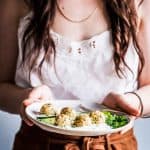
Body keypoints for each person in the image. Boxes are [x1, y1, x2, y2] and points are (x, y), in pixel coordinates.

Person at [0, 0, 150, 149]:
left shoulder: (140, 3)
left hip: (115, 143)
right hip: (36, 143)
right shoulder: (16, 2)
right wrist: (25, 98)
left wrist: (134, 102)